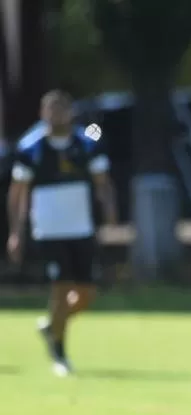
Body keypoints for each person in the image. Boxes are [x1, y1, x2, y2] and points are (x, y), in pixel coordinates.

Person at [5, 90, 118, 377]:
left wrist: (110, 210)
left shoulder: (87, 142)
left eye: (60, 110)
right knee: (60, 289)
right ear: (43, 114)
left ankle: (52, 325)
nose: (54, 116)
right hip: (48, 229)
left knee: (86, 294)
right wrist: (16, 232)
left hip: (80, 227)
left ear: (70, 113)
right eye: (49, 111)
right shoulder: (31, 147)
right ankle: (60, 354)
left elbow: (103, 182)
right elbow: (18, 193)